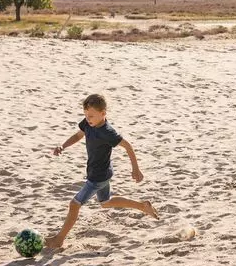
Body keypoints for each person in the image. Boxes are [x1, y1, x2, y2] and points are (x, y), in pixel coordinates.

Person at [47, 93, 158, 250]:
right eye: (86, 115)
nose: (88, 118)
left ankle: (59, 240)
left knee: (74, 204)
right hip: (102, 172)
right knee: (106, 202)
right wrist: (63, 146)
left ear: (103, 113)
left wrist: (136, 169)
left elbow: (128, 146)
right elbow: (78, 135)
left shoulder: (108, 132)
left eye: (91, 115)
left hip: (98, 177)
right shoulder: (87, 124)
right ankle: (142, 206)